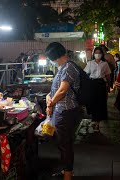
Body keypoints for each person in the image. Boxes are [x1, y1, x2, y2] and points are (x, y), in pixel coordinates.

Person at [44, 42, 81, 180]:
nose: (50, 61)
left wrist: (50, 103)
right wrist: (49, 97)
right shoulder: (63, 68)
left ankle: (67, 175)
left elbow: (63, 90)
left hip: (66, 111)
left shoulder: (69, 67)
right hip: (61, 111)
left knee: (65, 144)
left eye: (49, 58)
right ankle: (66, 171)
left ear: (55, 56)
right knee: (62, 143)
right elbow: (55, 90)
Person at [83, 47, 111, 132]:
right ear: (93, 54)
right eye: (96, 52)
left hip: (101, 84)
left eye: (99, 53)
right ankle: (94, 120)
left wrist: (109, 85)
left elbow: (108, 75)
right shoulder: (90, 63)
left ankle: (97, 123)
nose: (97, 54)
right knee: (92, 102)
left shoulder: (105, 64)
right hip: (92, 84)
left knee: (100, 103)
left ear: (102, 54)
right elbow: (85, 74)